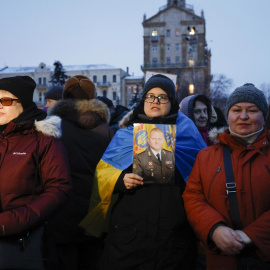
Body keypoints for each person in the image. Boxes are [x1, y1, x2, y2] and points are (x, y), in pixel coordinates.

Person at [80, 74, 206, 270]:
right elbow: (101, 175)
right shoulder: (125, 135)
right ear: (143, 100)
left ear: (171, 102)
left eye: (162, 97)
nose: (155, 101)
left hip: (174, 237)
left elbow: (202, 180)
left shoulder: (187, 134)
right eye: (150, 96)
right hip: (128, 237)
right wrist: (120, 180)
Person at [183, 83, 270, 270]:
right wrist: (214, 229)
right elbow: (192, 198)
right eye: (236, 110)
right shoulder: (206, 156)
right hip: (220, 260)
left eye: (252, 110)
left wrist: (251, 235)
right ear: (228, 114)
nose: (243, 116)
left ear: (264, 116)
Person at [0, 76, 71, 269]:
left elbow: (58, 188)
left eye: (5, 101)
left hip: (23, 242)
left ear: (22, 103)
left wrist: (14, 221)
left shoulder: (44, 140)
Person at [47, 75, 114, 270]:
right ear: (92, 98)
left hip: (61, 213)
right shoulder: (107, 131)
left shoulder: (53, 127)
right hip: (96, 215)